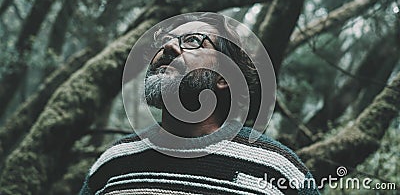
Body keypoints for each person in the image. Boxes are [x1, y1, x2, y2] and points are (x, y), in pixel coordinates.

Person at [80, 13, 320, 194]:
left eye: (193, 41)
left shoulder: (278, 170)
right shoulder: (113, 163)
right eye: (165, 40)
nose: (168, 47)